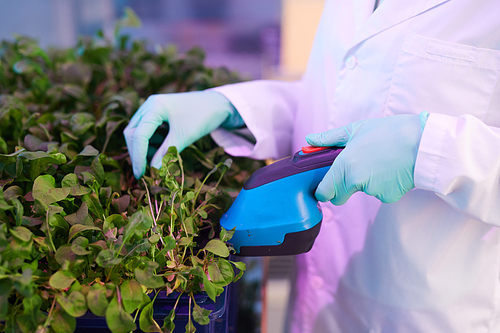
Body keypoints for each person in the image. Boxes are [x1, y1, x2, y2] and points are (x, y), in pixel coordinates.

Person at [124, 0, 500, 331]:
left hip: (428, 314)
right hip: (318, 299)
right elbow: (339, 99)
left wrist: (429, 149)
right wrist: (232, 107)